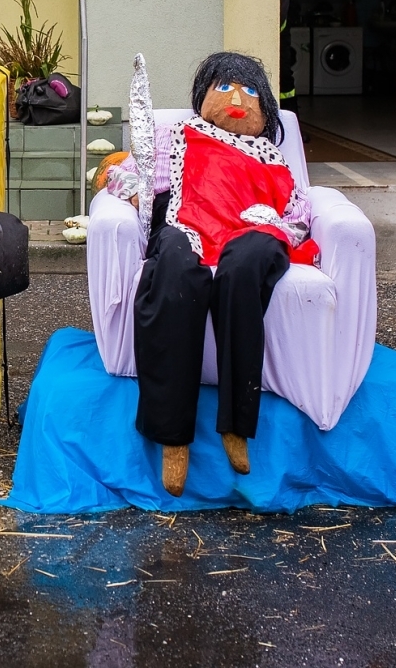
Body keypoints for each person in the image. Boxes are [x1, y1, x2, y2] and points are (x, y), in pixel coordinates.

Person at [129, 52, 319, 496]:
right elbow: (126, 175)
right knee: (173, 272)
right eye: (226, 87)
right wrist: (131, 192)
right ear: (203, 98)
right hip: (187, 227)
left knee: (244, 266)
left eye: (250, 90)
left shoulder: (272, 156)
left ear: (265, 107)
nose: (238, 97)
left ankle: (237, 425)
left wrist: (276, 225)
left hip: (252, 231)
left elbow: (301, 209)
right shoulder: (178, 136)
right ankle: (174, 438)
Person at [279, 0, 299, 112]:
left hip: (280, 26)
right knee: (285, 79)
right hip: (281, 24)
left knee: (284, 79)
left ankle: (291, 126)